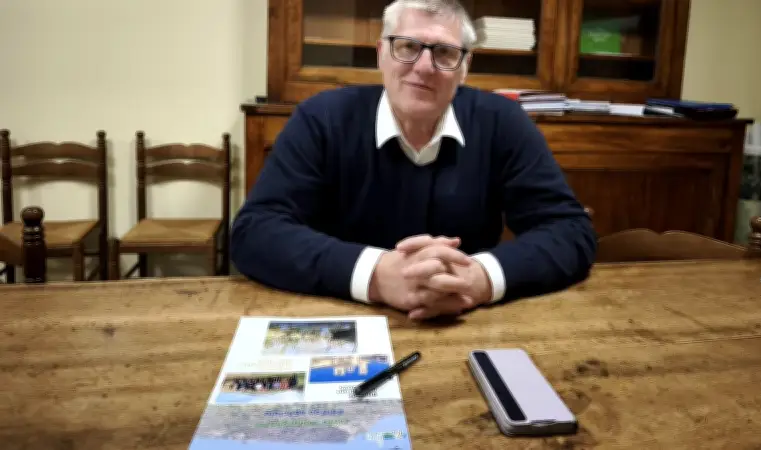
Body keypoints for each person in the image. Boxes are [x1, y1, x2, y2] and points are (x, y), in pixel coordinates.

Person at [231, 0, 596, 320]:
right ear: (381, 53)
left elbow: (570, 230)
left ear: (464, 67)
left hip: (466, 322)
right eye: (407, 46)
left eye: (445, 53)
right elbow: (256, 231)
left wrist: (479, 278)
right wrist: (377, 275)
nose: (424, 66)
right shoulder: (321, 118)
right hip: (342, 318)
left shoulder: (503, 122)